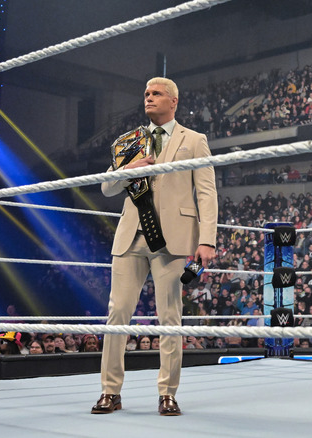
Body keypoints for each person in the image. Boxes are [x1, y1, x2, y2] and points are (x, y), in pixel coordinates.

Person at [92, 77, 218, 417]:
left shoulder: (194, 140)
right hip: (132, 236)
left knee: (169, 318)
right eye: (146, 93)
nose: (149, 98)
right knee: (117, 314)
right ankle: (110, 391)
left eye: (156, 93)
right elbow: (106, 188)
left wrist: (207, 239)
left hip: (173, 240)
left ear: (173, 101)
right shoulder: (133, 140)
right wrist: (128, 168)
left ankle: (167, 393)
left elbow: (206, 191)